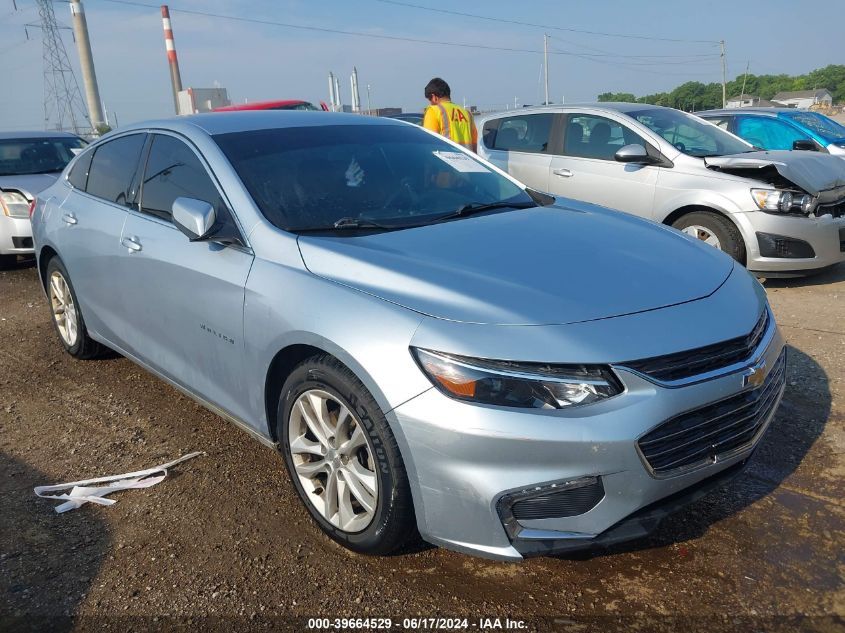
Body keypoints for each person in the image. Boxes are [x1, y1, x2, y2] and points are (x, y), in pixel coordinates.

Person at [422, 77, 478, 153]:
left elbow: (429, 143)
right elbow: (474, 144)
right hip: (468, 163)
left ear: (434, 97)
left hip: (446, 162)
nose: (430, 103)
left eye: (430, 99)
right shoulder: (467, 113)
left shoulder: (433, 111)